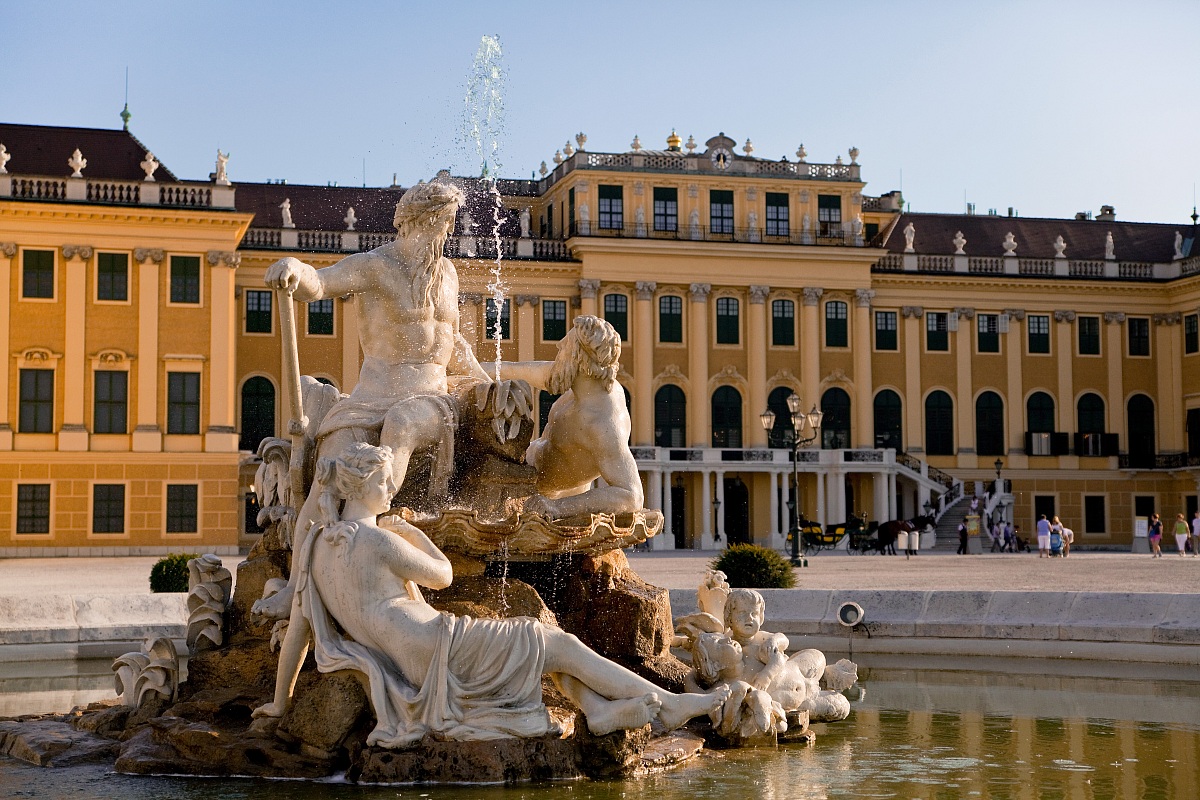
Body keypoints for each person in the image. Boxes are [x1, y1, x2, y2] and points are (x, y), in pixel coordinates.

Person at [252, 442, 728, 743]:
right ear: (364, 486)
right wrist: (411, 532)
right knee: (550, 641)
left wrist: (280, 701)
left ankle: (600, 709)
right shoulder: (378, 540)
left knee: (541, 651)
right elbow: (440, 575)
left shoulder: (314, 547)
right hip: (436, 647)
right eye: (386, 483)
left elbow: (297, 633)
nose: (392, 491)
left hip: (414, 654)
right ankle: (669, 706)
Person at [254, 181, 525, 622]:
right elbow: (319, 283)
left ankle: (367, 540)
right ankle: (297, 584)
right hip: (368, 399)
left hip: (432, 399)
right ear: (413, 221)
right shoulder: (375, 266)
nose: (446, 233)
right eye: (440, 223)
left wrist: (481, 382)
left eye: (450, 223)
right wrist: (293, 268)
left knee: (401, 421)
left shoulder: (448, 274)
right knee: (330, 468)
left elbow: (449, 339)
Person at [484, 315, 643, 519]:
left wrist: (558, 507)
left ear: (578, 357)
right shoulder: (582, 384)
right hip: (526, 468)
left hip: (539, 491)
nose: (559, 345)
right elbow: (524, 372)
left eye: (566, 345)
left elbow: (631, 496)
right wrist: (474, 369)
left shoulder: (602, 423)